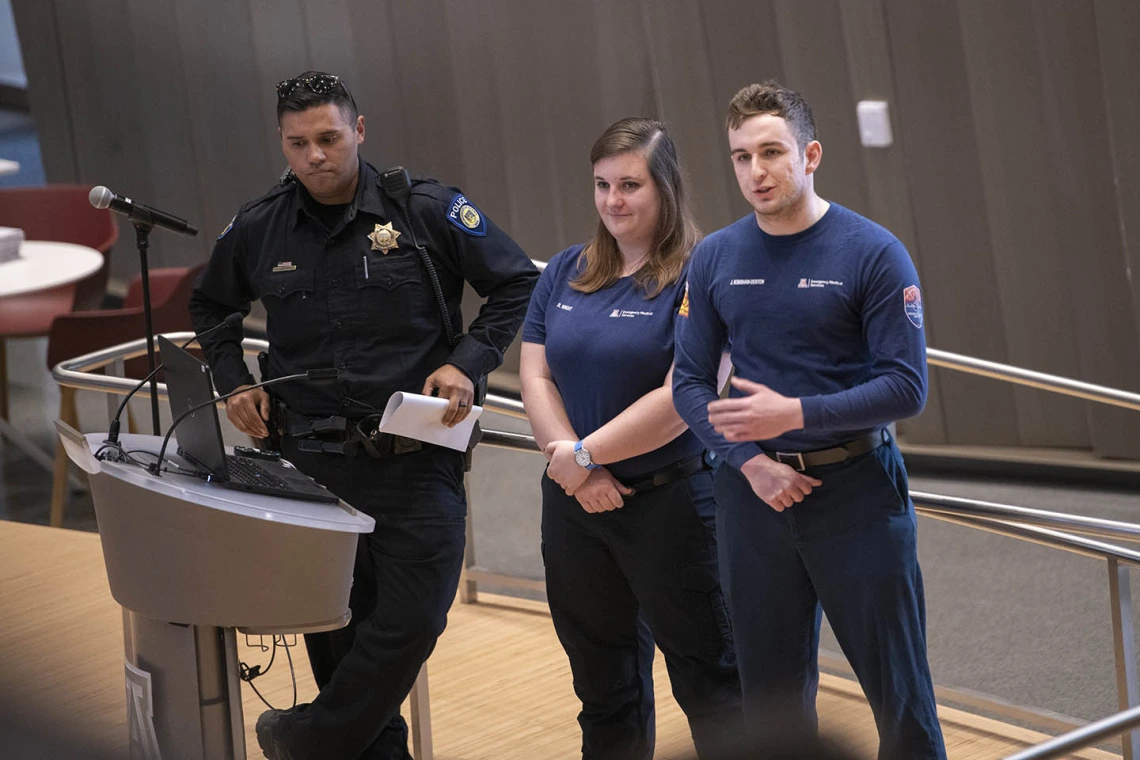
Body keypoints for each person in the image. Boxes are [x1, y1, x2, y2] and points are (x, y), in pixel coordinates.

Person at [189, 71, 538, 760]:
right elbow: (210, 309)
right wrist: (231, 381)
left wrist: (467, 362)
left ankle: (301, 737)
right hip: (313, 468)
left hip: (416, 461)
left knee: (413, 621)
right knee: (337, 634)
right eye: (298, 144)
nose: (315, 155)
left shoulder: (425, 209)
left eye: (327, 137)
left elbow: (517, 281)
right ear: (283, 144)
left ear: (359, 130)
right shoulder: (260, 225)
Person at [672, 81, 947, 759]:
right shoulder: (715, 257)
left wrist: (793, 412)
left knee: (900, 695)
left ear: (811, 154)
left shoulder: (873, 252)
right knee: (769, 703)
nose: (756, 171)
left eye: (772, 152)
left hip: (853, 492)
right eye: (741, 157)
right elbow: (688, 382)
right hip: (752, 498)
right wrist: (752, 464)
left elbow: (907, 388)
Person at [520, 117, 741, 760]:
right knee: (603, 688)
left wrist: (586, 455)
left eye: (630, 185)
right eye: (602, 185)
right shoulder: (567, 269)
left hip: (670, 506)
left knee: (712, 683)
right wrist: (576, 470)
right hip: (574, 506)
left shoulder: (703, 273)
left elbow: (682, 396)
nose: (613, 201)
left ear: (666, 188)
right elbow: (535, 374)